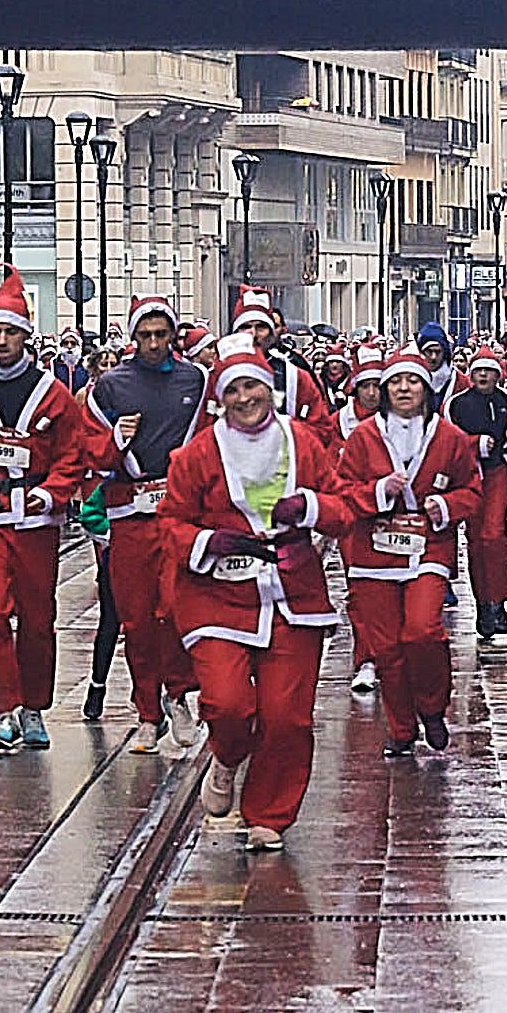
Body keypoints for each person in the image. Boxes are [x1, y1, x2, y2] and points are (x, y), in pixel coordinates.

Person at [161, 334, 354, 853]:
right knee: (227, 704)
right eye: (233, 390)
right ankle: (226, 757)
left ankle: (269, 814)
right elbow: (170, 524)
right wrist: (208, 541)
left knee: (287, 716)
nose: (245, 398)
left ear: (270, 388)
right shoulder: (197, 454)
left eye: (253, 387)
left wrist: (310, 507)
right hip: (218, 597)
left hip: (293, 592)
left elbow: (342, 507)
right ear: (220, 398)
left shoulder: (303, 442)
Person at [0, 270, 94, 754]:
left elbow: (72, 454)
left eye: (10, 332)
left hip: (35, 516)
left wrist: (52, 493)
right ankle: (3, 711)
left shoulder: (53, 393)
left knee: (37, 615)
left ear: (26, 336)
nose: (1, 341)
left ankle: (33, 708)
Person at [340, 347, 483, 757]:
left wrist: (446, 506)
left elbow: (472, 491)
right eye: (396, 382)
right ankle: (402, 729)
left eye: (413, 381)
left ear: (426, 389)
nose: (404, 389)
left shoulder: (449, 438)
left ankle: (433, 707)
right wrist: (377, 492)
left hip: (428, 549)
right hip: (374, 555)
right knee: (387, 648)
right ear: (385, 390)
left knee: (422, 631)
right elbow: (342, 490)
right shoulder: (363, 437)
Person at [85, 294, 208, 753]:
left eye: (161, 335)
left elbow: (209, 438)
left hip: (177, 513)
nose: (154, 344)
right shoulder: (111, 386)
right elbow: (89, 451)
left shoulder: (195, 379)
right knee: (135, 620)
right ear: (133, 337)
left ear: (174, 335)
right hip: (129, 515)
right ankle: (147, 713)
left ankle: (178, 693)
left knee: (174, 609)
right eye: (145, 335)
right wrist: (116, 441)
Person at [445, 346, 507, 639]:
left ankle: (499, 602)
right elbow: (448, 440)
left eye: (489, 371)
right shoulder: (457, 404)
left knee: (493, 534)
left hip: (499, 472)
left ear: (497, 374)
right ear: (471, 374)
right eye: (479, 370)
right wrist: (475, 444)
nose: (483, 375)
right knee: (476, 540)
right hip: (469, 477)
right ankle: (483, 603)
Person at [331, 346, 387, 697]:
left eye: (377, 386)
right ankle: (365, 657)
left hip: (395, 520)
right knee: (360, 587)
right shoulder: (340, 421)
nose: (371, 393)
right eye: (365, 386)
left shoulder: (405, 418)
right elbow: (329, 466)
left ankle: (390, 654)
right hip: (354, 516)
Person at [231, 287, 335, 447]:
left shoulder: (294, 376)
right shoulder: (218, 375)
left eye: (261, 327)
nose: (253, 334)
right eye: (245, 327)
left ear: (272, 333)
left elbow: (321, 429)